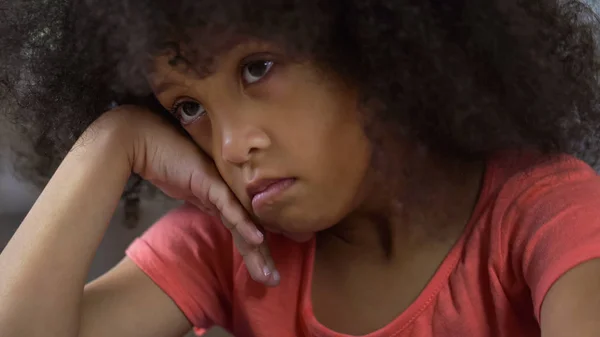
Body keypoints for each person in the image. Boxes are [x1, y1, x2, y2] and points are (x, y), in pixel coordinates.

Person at [1, 0, 600, 336]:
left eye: (257, 68)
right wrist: (114, 139)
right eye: (188, 107)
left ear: (376, 39)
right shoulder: (231, 245)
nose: (232, 145)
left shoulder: (546, 216)